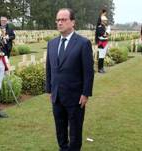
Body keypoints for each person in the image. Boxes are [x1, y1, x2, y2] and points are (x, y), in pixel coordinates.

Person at [46, 8, 94, 151]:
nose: (60, 23)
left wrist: (85, 93)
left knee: (75, 132)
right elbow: (49, 68)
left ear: (72, 22)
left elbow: (88, 71)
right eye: (58, 20)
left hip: (76, 97)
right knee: (60, 129)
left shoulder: (83, 43)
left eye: (64, 20)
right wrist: (49, 89)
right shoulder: (52, 44)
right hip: (57, 96)